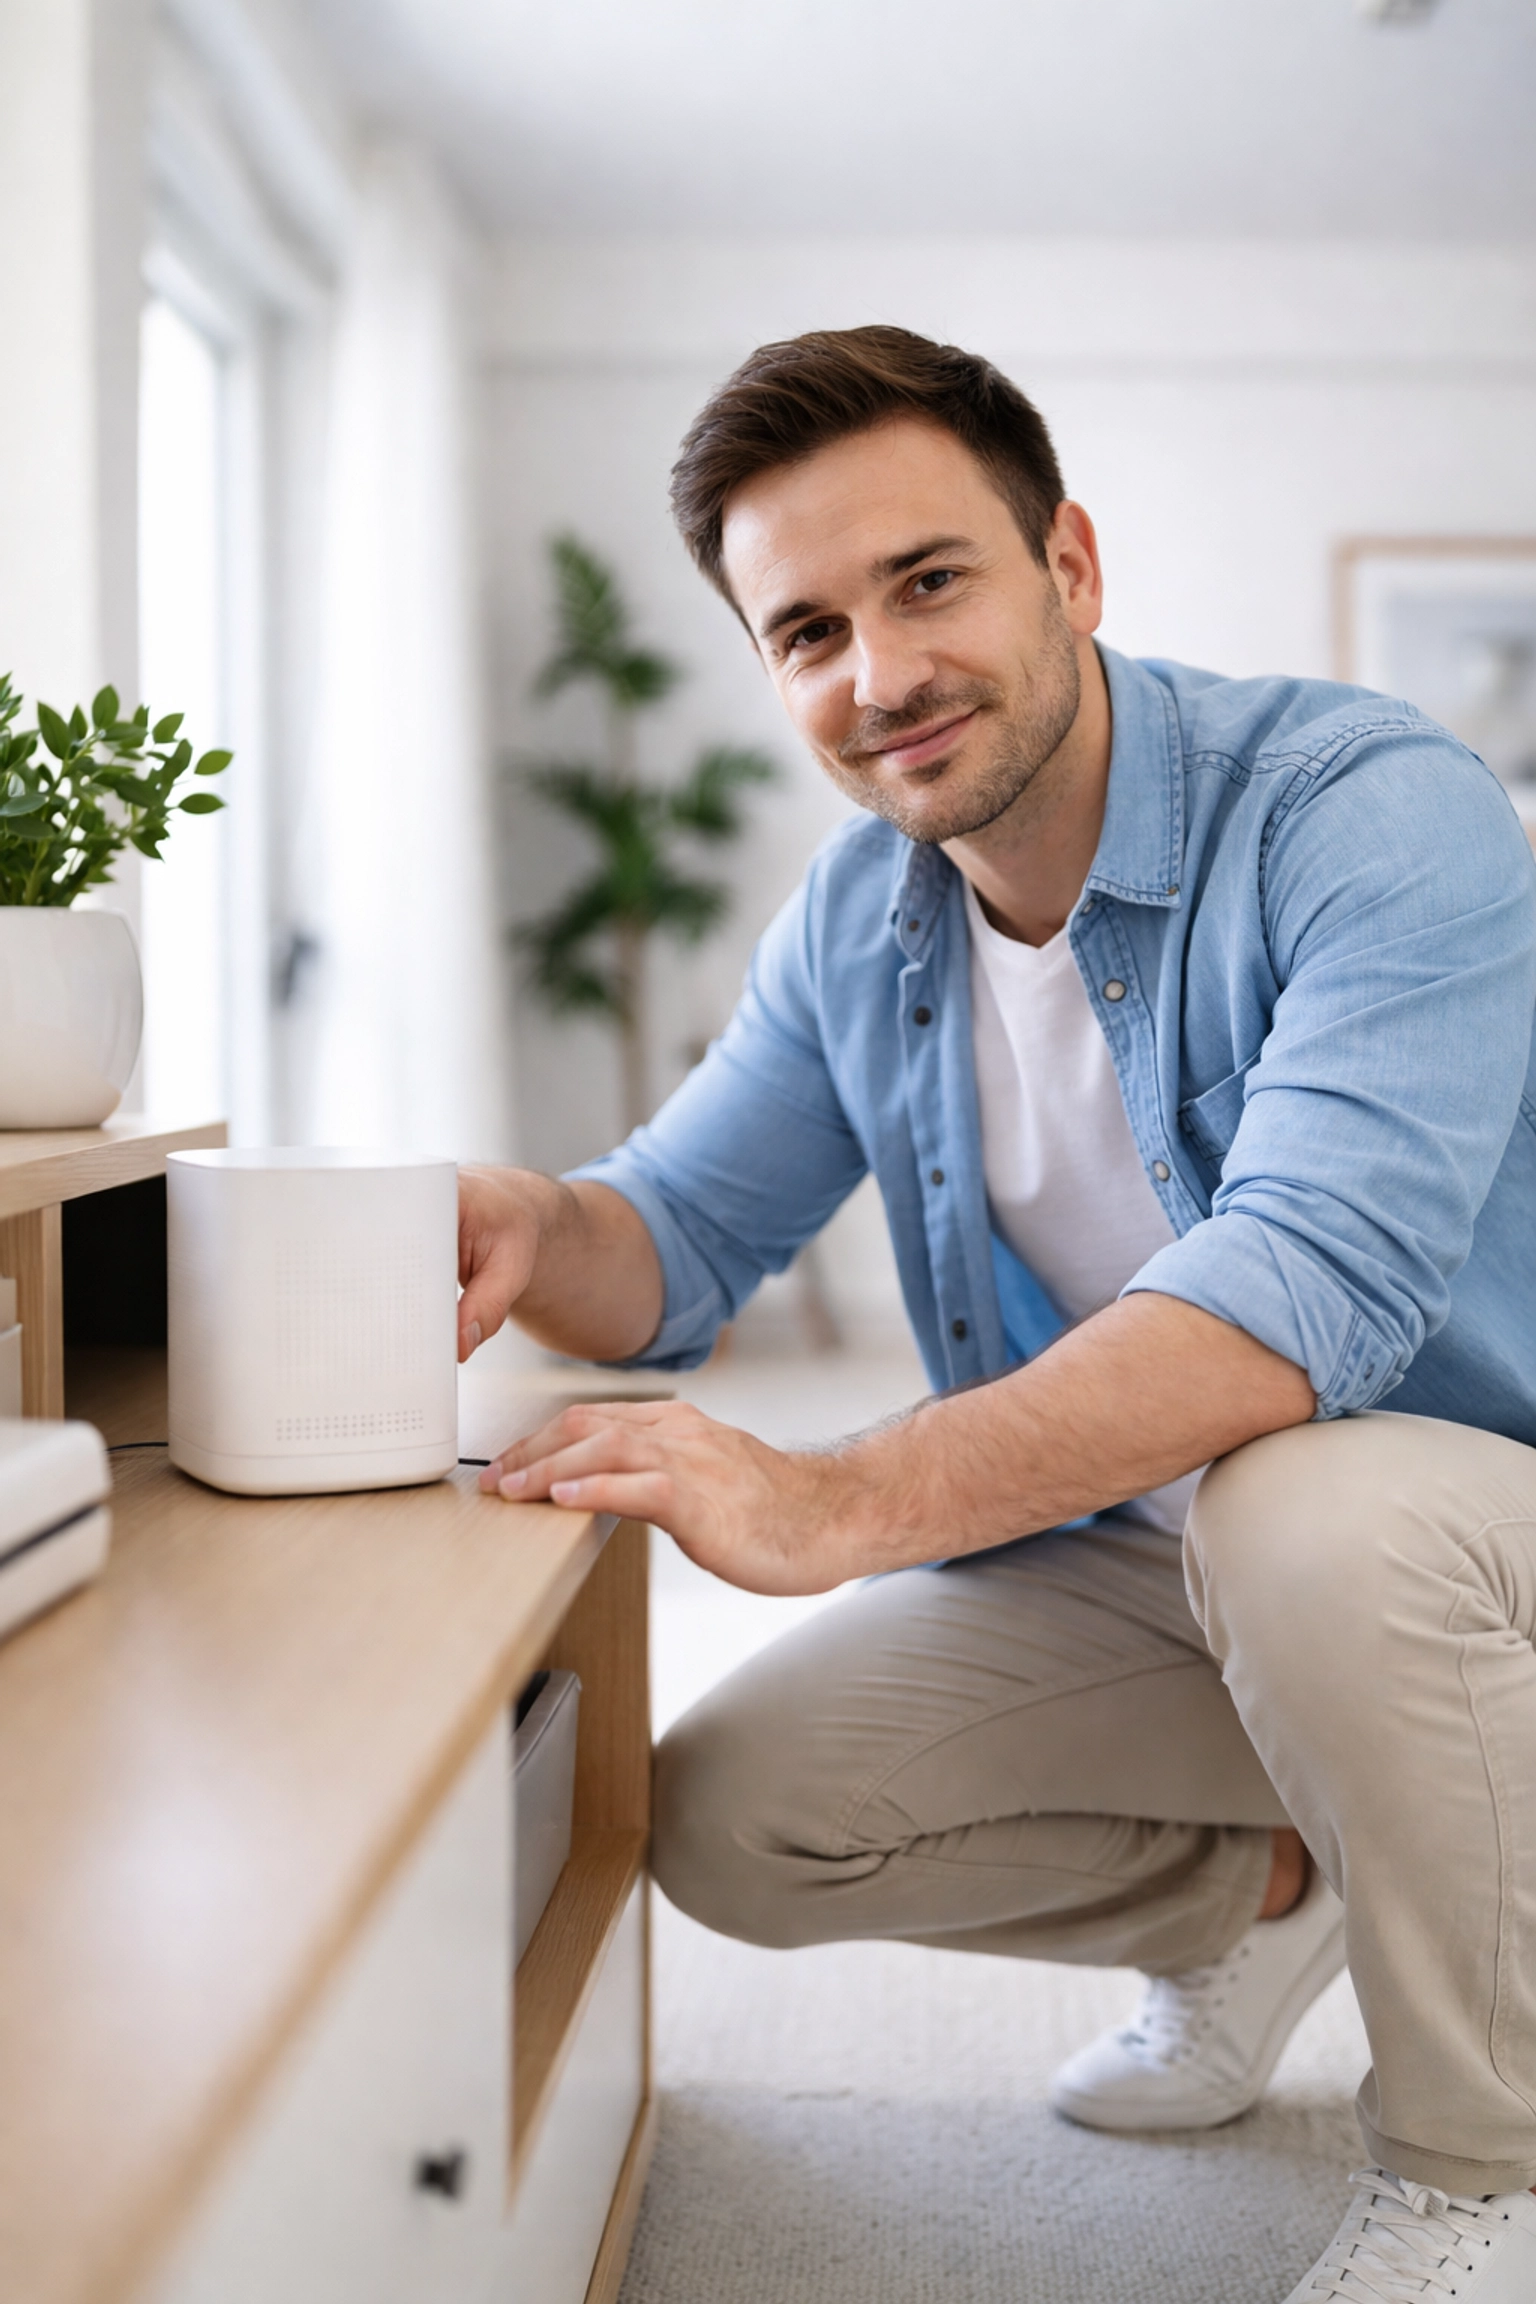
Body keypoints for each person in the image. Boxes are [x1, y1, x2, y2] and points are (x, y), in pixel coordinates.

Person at [460, 326, 1536, 2301]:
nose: (881, 677)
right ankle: (1270, 1893)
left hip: (1474, 1557)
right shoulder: (862, 921)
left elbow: (1310, 1290)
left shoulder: (1369, 809)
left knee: (1299, 1501)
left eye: (929, 581)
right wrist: (533, 1217)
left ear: (1073, 569)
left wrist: (844, 1499)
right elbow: (675, 1236)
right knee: (739, 1818)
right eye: (805, 631)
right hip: (1170, 1574)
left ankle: (1490, 2169)